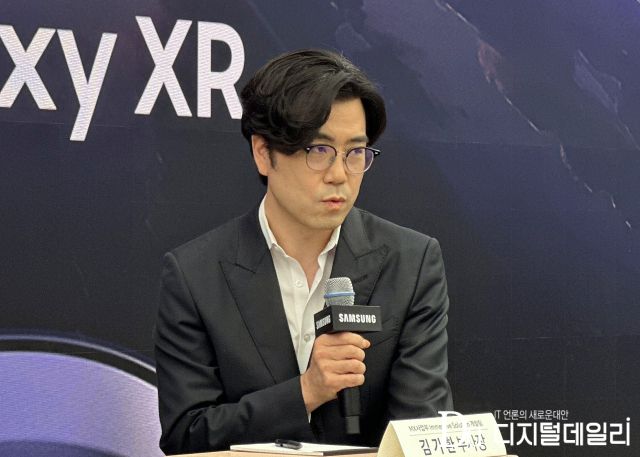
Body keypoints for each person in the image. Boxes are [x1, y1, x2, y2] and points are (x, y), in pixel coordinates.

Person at [155, 49, 453, 455]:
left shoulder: (411, 262)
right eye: (318, 151)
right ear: (264, 153)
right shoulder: (195, 274)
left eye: (355, 152)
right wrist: (306, 392)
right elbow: (186, 436)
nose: (339, 175)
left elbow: (422, 430)